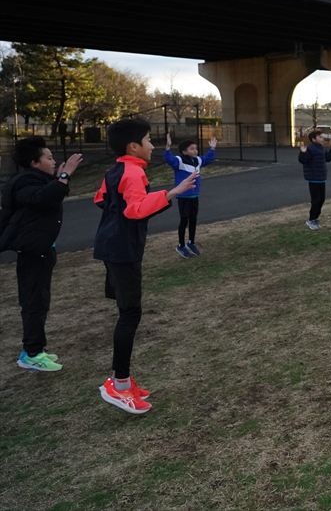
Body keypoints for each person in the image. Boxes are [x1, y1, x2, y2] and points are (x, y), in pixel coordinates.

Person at [93, 118, 197, 414]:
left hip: (112, 246)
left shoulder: (117, 169)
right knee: (130, 313)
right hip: (121, 249)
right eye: (149, 140)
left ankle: (124, 381)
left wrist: (120, 216)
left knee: (127, 311)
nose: (152, 146)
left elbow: (101, 199)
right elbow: (135, 210)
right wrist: (171, 193)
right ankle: (119, 384)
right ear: (133, 146)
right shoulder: (132, 172)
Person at [1, 137, 83, 372]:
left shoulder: (38, 180)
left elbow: (50, 195)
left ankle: (35, 350)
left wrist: (60, 179)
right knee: (34, 302)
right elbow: (40, 198)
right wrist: (64, 175)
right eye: (48, 157)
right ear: (34, 162)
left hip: (42, 250)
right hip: (33, 252)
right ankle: (32, 354)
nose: (53, 160)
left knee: (39, 300)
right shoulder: (25, 182)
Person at [163, 132, 217, 258]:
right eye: (192, 149)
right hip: (183, 197)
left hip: (194, 196)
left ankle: (191, 242)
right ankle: (181, 245)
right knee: (184, 220)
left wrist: (212, 148)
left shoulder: (197, 160)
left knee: (193, 220)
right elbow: (169, 159)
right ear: (184, 151)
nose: (195, 151)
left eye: (196, 148)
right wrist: (167, 147)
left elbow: (208, 158)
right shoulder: (179, 161)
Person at [298, 128, 331, 230]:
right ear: (314, 139)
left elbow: (327, 158)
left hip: (321, 178)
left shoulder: (321, 148)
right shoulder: (310, 148)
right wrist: (303, 152)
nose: (322, 138)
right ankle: (311, 219)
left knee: (321, 199)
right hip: (313, 178)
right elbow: (303, 160)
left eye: (322, 137)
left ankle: (315, 218)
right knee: (316, 200)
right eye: (320, 137)